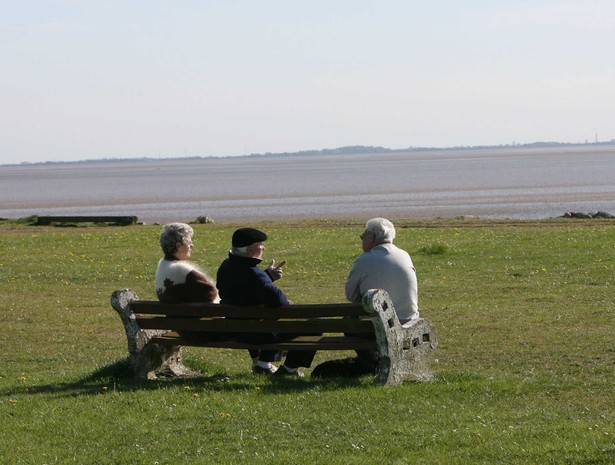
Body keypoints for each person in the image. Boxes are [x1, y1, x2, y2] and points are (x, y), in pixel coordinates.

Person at [312, 217, 419, 378]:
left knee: (350, 320)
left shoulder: (365, 259)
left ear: (371, 238)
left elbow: (350, 295)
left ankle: (371, 363)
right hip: (409, 323)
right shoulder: (405, 255)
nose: (362, 240)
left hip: (376, 329)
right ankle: (376, 362)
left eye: (363, 237)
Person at [216, 227, 317, 377]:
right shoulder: (254, 274)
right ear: (251, 249)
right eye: (260, 244)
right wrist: (265, 278)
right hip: (256, 333)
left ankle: (263, 365)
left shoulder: (226, 266)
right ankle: (289, 370)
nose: (263, 247)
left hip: (236, 329)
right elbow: (279, 300)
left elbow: (247, 288)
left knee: (271, 321)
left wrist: (267, 276)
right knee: (315, 326)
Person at [155, 222, 219, 303]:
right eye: (189, 242)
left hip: (173, 314)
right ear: (179, 246)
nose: (192, 246)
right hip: (189, 314)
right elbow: (211, 294)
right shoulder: (182, 270)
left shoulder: (162, 265)